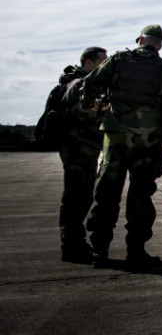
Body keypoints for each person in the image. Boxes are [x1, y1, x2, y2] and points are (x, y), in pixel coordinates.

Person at [83, 25, 162, 271]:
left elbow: (90, 83)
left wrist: (93, 109)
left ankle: (99, 251)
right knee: (140, 197)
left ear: (139, 40)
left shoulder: (118, 59)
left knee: (106, 194)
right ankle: (136, 252)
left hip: (115, 137)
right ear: (159, 45)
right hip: (147, 140)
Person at [58, 46, 108, 263]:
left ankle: (73, 243)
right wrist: (104, 110)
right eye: (102, 62)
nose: (105, 67)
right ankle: (72, 246)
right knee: (78, 198)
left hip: (78, 149)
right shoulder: (81, 84)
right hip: (80, 149)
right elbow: (84, 112)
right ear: (89, 63)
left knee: (76, 197)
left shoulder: (73, 83)